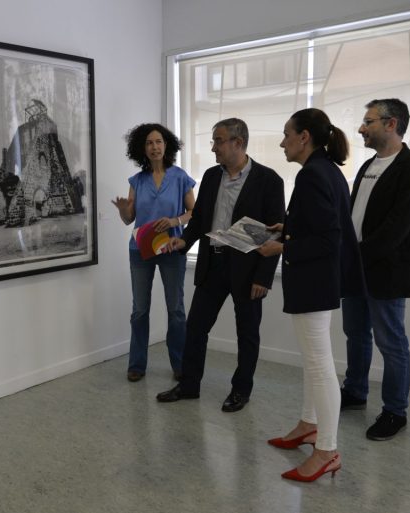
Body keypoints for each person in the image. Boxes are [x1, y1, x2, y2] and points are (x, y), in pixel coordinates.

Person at [258, 108, 364, 482]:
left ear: (304, 137)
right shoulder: (325, 170)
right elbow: (321, 225)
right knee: (313, 359)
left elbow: (329, 238)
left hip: (315, 282)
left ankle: (328, 450)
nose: (282, 141)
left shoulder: (313, 175)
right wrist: (288, 228)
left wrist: (282, 247)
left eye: (287, 134)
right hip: (320, 281)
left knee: (320, 364)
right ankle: (308, 424)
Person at [155, 118, 284, 412]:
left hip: (248, 269)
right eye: (214, 141)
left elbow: (275, 231)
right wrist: (184, 242)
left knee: (247, 334)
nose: (213, 147)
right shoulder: (212, 176)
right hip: (212, 263)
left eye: (218, 141)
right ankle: (189, 385)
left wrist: (264, 277)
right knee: (196, 328)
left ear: (238, 143)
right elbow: (199, 218)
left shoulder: (269, 180)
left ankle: (241, 390)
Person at [340, 99, 410, 441]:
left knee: (391, 343)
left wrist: (355, 255)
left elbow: (398, 228)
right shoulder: (367, 166)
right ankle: (355, 392)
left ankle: (395, 411)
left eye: (369, 122)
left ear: (391, 124)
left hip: (387, 272)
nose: (362, 128)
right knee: (356, 334)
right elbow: (354, 217)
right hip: (356, 269)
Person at [112, 123, 196, 382]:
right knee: (140, 310)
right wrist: (123, 209)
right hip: (141, 250)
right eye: (149, 143)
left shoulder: (180, 177)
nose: (154, 147)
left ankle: (180, 365)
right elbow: (130, 219)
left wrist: (174, 222)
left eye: (158, 141)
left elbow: (195, 213)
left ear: (166, 145)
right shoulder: (137, 181)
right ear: (142, 149)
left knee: (176, 310)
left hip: (172, 248)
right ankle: (136, 365)